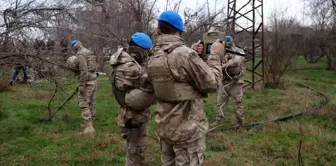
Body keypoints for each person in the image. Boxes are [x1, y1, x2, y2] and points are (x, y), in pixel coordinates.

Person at [142, 10, 224, 166]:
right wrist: (214, 56)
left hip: (165, 128)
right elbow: (213, 84)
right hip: (187, 132)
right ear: (179, 32)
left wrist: (192, 52)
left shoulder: (152, 55)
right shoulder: (185, 55)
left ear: (158, 31)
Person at [109, 32, 154, 166]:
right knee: (136, 151)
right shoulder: (130, 68)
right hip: (134, 116)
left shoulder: (123, 60)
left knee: (133, 149)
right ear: (138, 51)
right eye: (145, 52)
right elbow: (148, 84)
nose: (147, 55)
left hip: (129, 113)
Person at [67, 40, 97, 134]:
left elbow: (84, 71)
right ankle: (91, 122)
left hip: (87, 82)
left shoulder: (80, 54)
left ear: (74, 47)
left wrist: (82, 85)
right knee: (91, 102)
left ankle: (89, 127)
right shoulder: (87, 51)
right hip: (93, 80)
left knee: (83, 102)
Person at [215, 35, 245, 128]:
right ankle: (219, 122)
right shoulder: (220, 52)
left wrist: (221, 66)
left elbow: (236, 62)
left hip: (235, 82)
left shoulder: (239, 51)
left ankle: (240, 123)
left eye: (228, 41)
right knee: (220, 103)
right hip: (224, 82)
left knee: (237, 103)